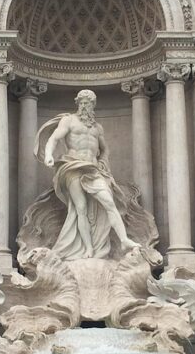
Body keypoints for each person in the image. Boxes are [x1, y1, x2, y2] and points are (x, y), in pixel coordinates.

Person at [36, 90, 141, 260]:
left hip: (93, 169)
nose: (85, 106)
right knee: (81, 209)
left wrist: (103, 161)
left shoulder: (97, 128)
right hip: (72, 166)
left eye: (89, 103)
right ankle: (88, 249)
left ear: (94, 105)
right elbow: (54, 139)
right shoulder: (68, 121)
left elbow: (105, 149)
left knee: (109, 202)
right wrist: (49, 154)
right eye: (82, 102)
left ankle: (124, 240)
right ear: (77, 103)